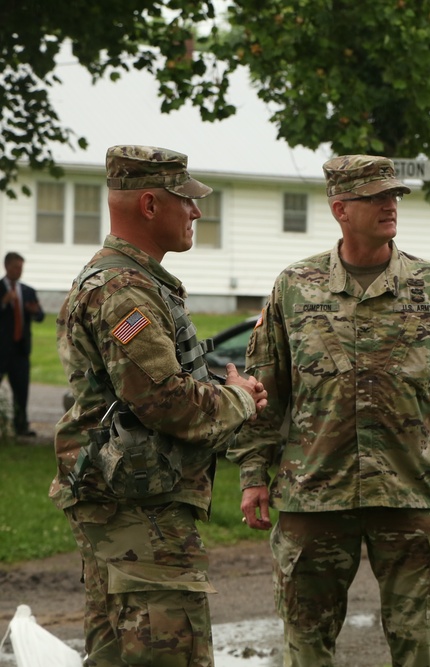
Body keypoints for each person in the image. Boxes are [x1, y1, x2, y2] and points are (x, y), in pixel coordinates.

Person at [229, 154, 430, 667]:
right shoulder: (295, 286)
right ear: (340, 209)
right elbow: (266, 389)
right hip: (314, 493)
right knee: (306, 640)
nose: (389, 205)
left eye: (393, 196)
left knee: (419, 637)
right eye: (375, 197)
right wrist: (252, 473)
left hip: (410, 487)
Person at [50, 145, 268, 667]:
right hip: (140, 517)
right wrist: (240, 398)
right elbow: (166, 402)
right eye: (185, 200)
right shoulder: (125, 292)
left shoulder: (132, 282)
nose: (196, 211)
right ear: (150, 205)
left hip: (127, 511)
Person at [1, 251, 45, 437]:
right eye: (16, 267)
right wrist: (3, 303)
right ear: (7, 266)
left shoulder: (27, 291)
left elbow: (41, 316)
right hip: (1, 349)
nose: (19, 271)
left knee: (21, 389)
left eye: (21, 267)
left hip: (20, 349)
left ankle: (21, 426)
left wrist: (34, 312)